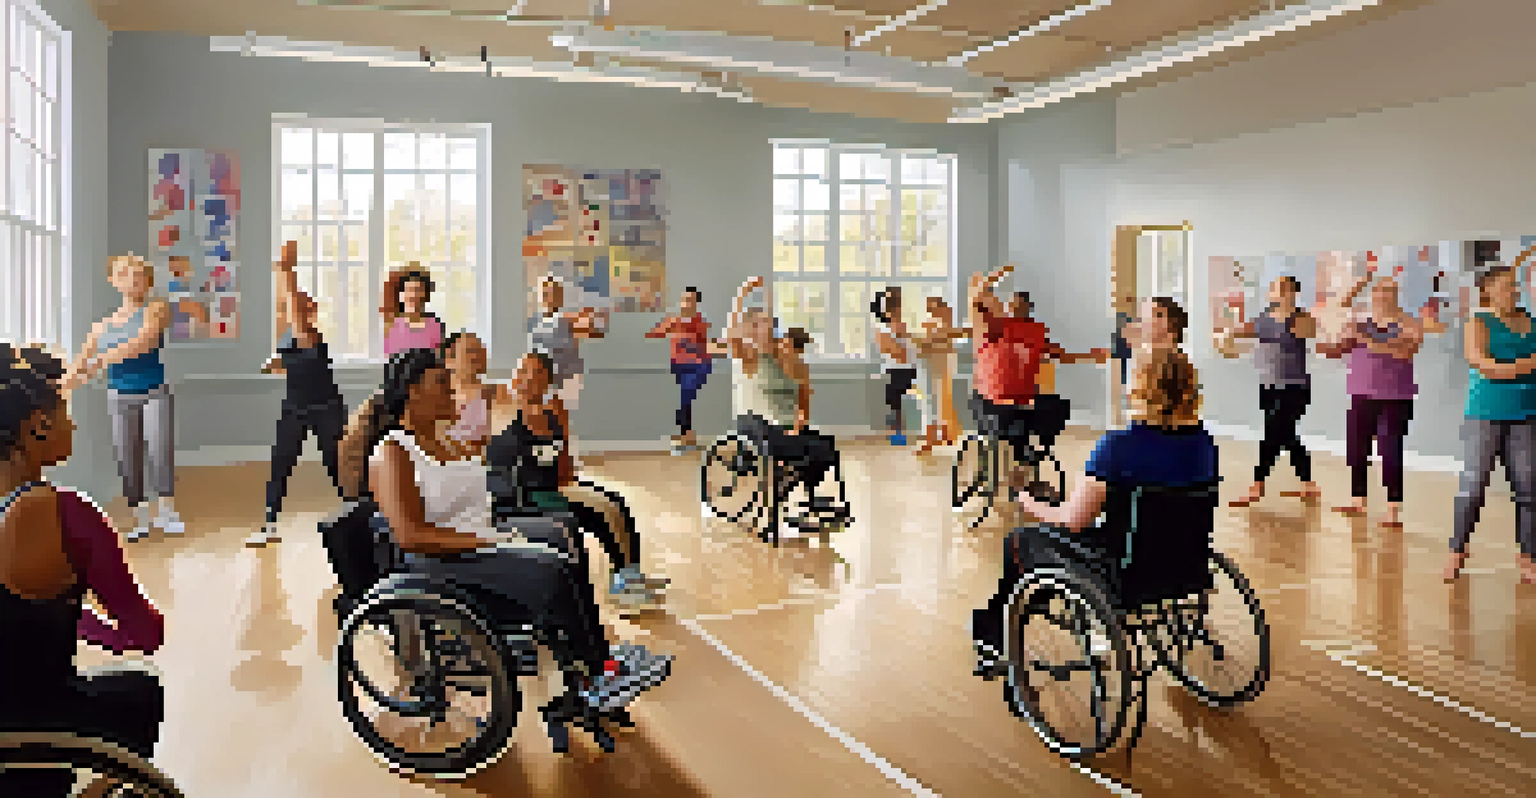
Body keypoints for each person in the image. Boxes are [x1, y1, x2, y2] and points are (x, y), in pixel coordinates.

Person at [362, 348, 672, 733]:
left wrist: (504, 533)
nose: (452, 391)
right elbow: (410, 534)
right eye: (441, 384)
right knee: (552, 568)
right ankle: (596, 675)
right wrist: (488, 542)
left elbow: (477, 496)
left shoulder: (445, 440)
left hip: (476, 541)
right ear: (412, 393)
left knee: (563, 537)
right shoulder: (391, 452)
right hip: (440, 560)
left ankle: (598, 664)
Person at [971, 339, 1217, 676]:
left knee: (1020, 540)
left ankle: (995, 636)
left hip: (1122, 573)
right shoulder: (1204, 443)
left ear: (1138, 388)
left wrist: (1028, 501)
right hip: (1186, 565)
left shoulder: (1118, 447)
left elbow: (1073, 521)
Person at [0, 343, 167, 798]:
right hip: (37, 725)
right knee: (140, 693)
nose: (73, 425)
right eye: (66, 413)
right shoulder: (65, 513)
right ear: (38, 426)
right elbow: (144, 633)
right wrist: (89, 626)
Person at [478, 350, 668, 611]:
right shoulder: (502, 405)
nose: (526, 379)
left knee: (616, 503)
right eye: (522, 372)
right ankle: (622, 586)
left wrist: (572, 481)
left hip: (550, 486)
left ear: (547, 380)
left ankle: (629, 574)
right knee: (601, 513)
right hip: (521, 494)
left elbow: (563, 463)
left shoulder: (553, 412)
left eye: (535, 373)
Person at [63, 254, 182, 541]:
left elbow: (145, 342)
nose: (133, 279)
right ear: (113, 281)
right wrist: (61, 384)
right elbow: (79, 366)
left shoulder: (157, 308)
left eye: (139, 274)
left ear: (147, 281)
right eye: (126, 274)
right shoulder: (100, 327)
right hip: (119, 395)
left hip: (155, 392)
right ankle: (139, 517)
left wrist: (99, 360)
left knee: (159, 451)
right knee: (128, 458)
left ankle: (166, 511)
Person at [968, 266, 1106, 494]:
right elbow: (975, 302)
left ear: (1027, 308)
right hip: (990, 403)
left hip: (1022, 400)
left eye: (1017, 304)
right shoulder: (994, 327)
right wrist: (991, 279)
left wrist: (1093, 355)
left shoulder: (1035, 331)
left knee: (1058, 407)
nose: (1012, 307)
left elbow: (1061, 355)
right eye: (1010, 304)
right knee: (1015, 422)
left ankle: (1031, 462)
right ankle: (1020, 474)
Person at [723, 277, 845, 530]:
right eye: (756, 325)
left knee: (825, 447)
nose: (763, 329)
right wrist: (743, 292)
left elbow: (803, 402)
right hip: (759, 428)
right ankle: (783, 497)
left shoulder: (788, 360)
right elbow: (732, 331)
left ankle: (807, 503)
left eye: (767, 324)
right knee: (802, 449)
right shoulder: (749, 357)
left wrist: (800, 421)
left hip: (788, 428)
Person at [1317, 259, 1432, 527]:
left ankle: (1392, 507)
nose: (1382, 297)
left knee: (1389, 449)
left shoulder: (1409, 323)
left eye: (1388, 292)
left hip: (1396, 397)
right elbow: (1337, 349)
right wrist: (1324, 340)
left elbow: (1405, 350)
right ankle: (1358, 499)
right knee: (1356, 449)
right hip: (1360, 394)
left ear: (1396, 296)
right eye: (1378, 292)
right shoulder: (1359, 323)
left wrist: (1368, 340)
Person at [248, 241, 348, 547]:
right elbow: (284, 365)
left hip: (327, 409)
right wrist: (276, 364)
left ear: (310, 313)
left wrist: (286, 270)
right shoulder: (289, 340)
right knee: (281, 464)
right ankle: (269, 525)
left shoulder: (311, 336)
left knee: (337, 465)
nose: (292, 313)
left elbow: (290, 302)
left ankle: (360, 514)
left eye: (300, 309)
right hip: (295, 408)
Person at [1447, 262, 1536, 584]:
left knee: (1529, 488)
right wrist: (1530, 364)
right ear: (1488, 289)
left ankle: (1528, 556)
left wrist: (1514, 367)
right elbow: (1485, 366)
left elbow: (1503, 367)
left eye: (1515, 285)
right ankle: (1457, 550)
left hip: (1527, 412)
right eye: (1507, 285)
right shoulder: (1478, 321)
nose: (1514, 290)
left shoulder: (1532, 321)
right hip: (1486, 411)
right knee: (1473, 486)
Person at [1226, 276, 1322, 507]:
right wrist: (1229, 328)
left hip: (1294, 388)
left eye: (1285, 289)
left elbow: (1309, 332)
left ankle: (1257, 485)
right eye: (1276, 288)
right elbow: (1238, 333)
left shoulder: (1301, 318)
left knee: (1272, 435)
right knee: (1286, 436)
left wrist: (1289, 314)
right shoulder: (1263, 319)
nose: (1280, 292)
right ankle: (1309, 484)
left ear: (1294, 292)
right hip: (1268, 386)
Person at [528, 276, 608, 466]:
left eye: (554, 292)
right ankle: (550, 459)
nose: (549, 296)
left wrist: (589, 317)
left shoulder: (565, 318)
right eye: (545, 292)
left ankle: (567, 460)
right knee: (545, 419)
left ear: (560, 296)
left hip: (567, 377)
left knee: (562, 418)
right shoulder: (536, 321)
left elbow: (596, 330)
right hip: (543, 378)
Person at [646, 286, 715, 450]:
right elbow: (654, 333)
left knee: (686, 395)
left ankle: (686, 433)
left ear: (696, 303)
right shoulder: (673, 320)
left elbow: (700, 340)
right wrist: (669, 327)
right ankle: (686, 433)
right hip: (678, 364)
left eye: (690, 300)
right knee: (683, 398)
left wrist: (681, 327)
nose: (686, 303)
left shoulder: (700, 322)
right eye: (684, 300)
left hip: (698, 364)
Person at [441, 331, 506, 460]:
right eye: (470, 351)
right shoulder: (433, 395)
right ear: (449, 357)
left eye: (481, 351)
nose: (477, 356)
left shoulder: (496, 393)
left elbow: (502, 441)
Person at [914, 295, 965, 453]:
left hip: (940, 367)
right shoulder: (930, 325)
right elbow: (926, 345)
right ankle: (937, 436)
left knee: (938, 402)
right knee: (931, 403)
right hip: (930, 367)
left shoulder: (944, 327)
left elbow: (944, 344)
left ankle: (940, 436)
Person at [872, 287, 918, 446]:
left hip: (912, 371)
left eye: (897, 304)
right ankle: (897, 438)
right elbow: (900, 354)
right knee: (896, 408)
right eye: (892, 305)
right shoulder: (883, 330)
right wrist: (900, 334)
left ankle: (910, 438)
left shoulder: (903, 328)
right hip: (896, 373)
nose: (897, 309)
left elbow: (914, 353)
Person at [381, 266, 445, 356]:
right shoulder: (390, 326)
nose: (413, 295)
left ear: (426, 296)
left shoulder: (436, 326)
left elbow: (440, 359)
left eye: (418, 290)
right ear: (401, 294)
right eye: (409, 290)